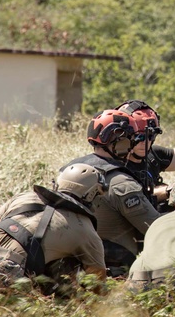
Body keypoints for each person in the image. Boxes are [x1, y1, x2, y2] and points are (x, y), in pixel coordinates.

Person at [0, 163, 107, 295]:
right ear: (91, 194)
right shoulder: (86, 231)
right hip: (1, 274)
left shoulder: (24, 196)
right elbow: (97, 282)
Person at [61, 109, 163, 276]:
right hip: (113, 271)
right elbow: (157, 229)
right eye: (131, 139)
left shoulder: (68, 172)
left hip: (70, 267)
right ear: (119, 141)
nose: (133, 145)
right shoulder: (121, 183)